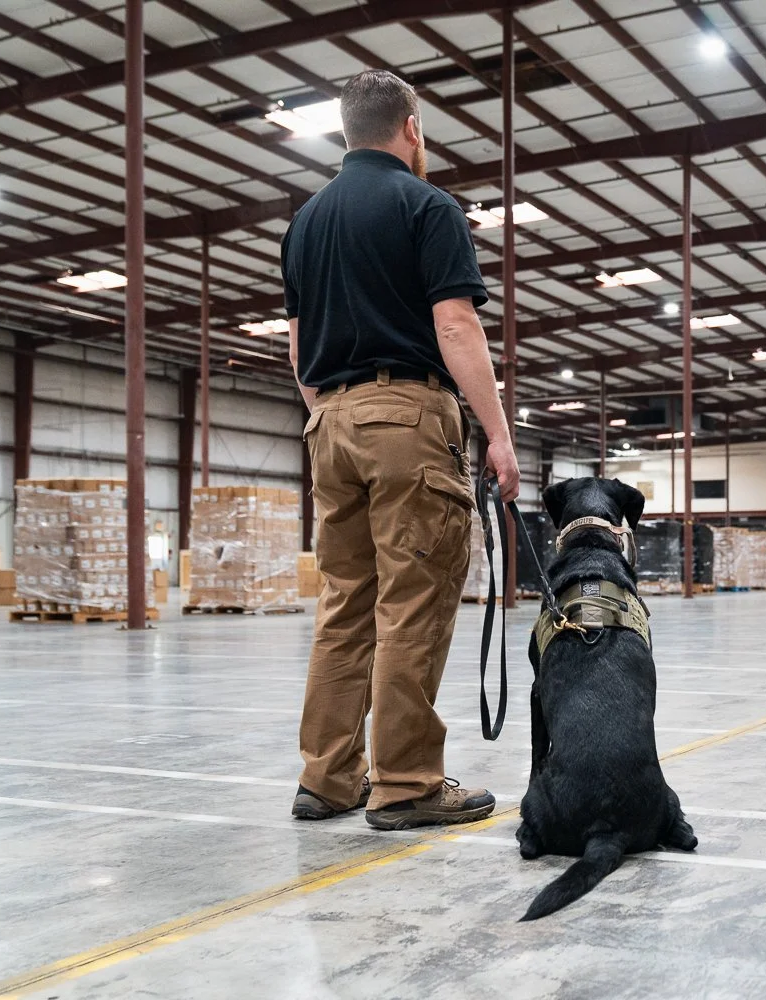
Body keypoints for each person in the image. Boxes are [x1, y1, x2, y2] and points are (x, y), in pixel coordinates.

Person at [281, 69, 520, 830]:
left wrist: (332, 413)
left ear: (347, 130)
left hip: (328, 424)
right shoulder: (427, 205)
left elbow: (296, 344)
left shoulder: (306, 221)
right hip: (407, 416)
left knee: (344, 605)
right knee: (413, 602)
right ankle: (407, 783)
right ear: (410, 128)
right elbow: (455, 327)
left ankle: (327, 779)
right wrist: (501, 434)